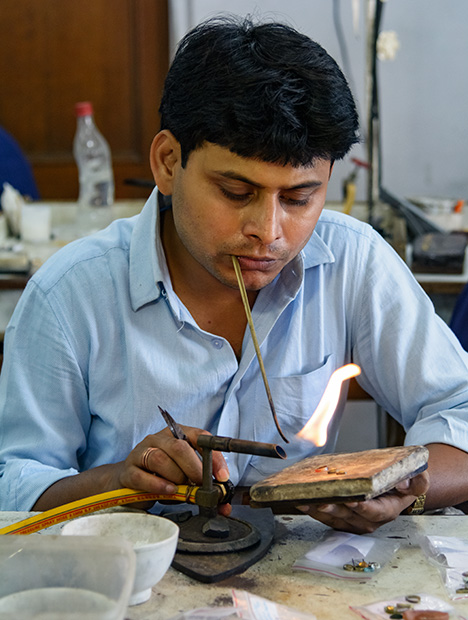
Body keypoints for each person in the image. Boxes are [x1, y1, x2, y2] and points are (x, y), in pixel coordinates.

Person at [1, 16, 468, 535]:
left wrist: (403, 490)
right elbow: (13, 481)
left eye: (298, 198)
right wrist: (120, 482)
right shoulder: (70, 295)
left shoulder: (352, 262)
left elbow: (460, 408)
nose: (268, 233)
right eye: (236, 192)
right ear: (167, 163)